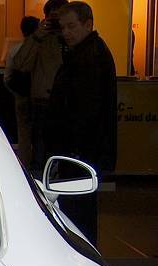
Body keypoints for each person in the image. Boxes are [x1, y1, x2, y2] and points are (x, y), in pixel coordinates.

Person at [44, 1, 116, 245]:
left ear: (88, 24)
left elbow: (85, 110)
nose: (66, 32)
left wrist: (71, 147)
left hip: (79, 152)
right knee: (78, 211)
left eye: (71, 26)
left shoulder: (88, 58)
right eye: (63, 27)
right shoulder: (86, 53)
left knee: (77, 214)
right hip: (80, 151)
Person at [13, 0, 67, 174]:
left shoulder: (71, 39)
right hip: (42, 101)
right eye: (53, 17)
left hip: (66, 103)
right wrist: (37, 36)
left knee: (62, 153)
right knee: (40, 154)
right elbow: (21, 64)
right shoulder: (39, 39)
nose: (57, 22)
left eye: (60, 17)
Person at [5, 16, 40, 164]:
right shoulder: (40, 49)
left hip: (21, 95)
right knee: (39, 134)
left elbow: (7, 77)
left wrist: (16, 94)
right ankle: (39, 163)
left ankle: (25, 164)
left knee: (23, 134)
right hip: (39, 96)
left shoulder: (15, 50)